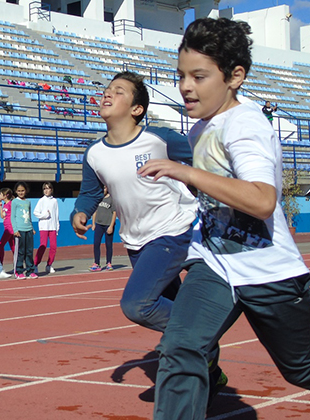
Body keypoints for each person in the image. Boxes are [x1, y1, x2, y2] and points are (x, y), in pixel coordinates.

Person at [138, 18, 310, 419]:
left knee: (302, 367)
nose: (185, 86)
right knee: (180, 348)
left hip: (267, 270)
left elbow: (262, 200)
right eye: (181, 75)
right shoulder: (201, 127)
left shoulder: (245, 123)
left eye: (199, 76)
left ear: (235, 76)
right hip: (215, 264)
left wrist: (187, 173)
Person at [70, 70, 226, 402]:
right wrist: (80, 212)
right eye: (107, 89)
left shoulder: (160, 139)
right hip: (137, 241)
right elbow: (90, 192)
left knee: (138, 305)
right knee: (176, 303)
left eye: (119, 91)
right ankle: (210, 370)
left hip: (174, 230)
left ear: (138, 108)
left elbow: (205, 161)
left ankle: (200, 336)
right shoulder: (94, 153)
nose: (108, 94)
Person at [11, 181, 36, 279]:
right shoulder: (15, 202)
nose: (21, 192)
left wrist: (32, 228)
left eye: (22, 190)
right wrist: (15, 230)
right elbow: (12, 217)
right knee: (21, 252)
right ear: (16, 191)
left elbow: (29, 216)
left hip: (28, 229)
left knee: (29, 251)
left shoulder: (28, 202)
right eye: (19, 191)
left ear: (26, 191)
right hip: (19, 230)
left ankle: (30, 270)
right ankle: (19, 271)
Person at [33, 182, 59, 274]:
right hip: (43, 227)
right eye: (45, 189)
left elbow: (56, 215)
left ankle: (49, 265)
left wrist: (57, 226)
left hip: (52, 227)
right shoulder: (41, 200)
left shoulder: (54, 201)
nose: (46, 190)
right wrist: (44, 215)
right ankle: (35, 265)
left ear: (51, 189)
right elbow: (35, 213)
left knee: (53, 247)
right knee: (43, 246)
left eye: (48, 188)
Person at [89, 185, 116, 272]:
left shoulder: (111, 199)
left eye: (104, 188)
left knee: (108, 245)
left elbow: (114, 213)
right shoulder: (98, 198)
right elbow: (95, 211)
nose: (103, 190)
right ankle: (97, 263)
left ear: (107, 188)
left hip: (108, 225)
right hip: (99, 225)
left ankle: (109, 262)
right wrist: (93, 223)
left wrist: (111, 226)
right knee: (96, 243)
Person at [0, 188, 15, 273]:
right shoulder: (4, 205)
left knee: (0, 245)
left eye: (1, 194)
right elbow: (2, 216)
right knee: (13, 247)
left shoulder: (11, 204)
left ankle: (0, 266)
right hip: (6, 228)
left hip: (10, 229)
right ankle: (18, 265)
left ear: (5, 195)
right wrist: (0, 205)